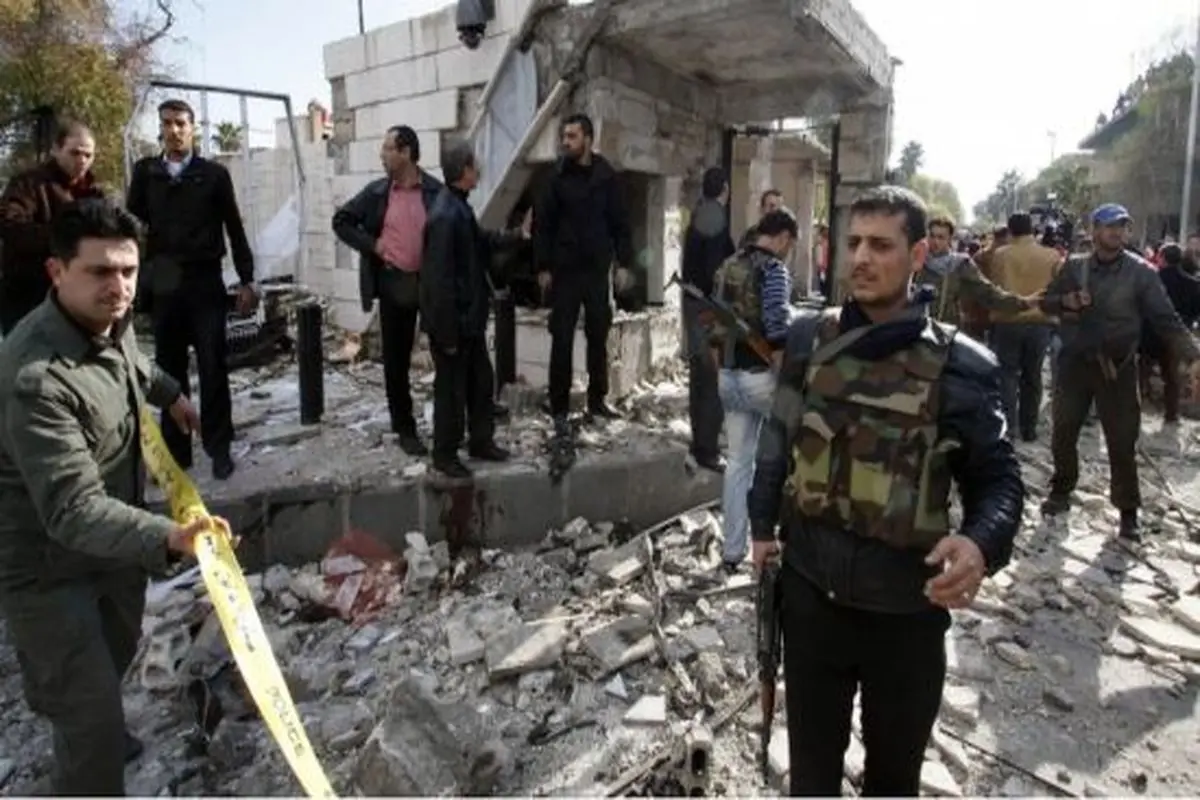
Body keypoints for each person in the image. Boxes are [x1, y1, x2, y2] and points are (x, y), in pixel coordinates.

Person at [747, 185, 1023, 796]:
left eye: (880, 245)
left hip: (904, 615)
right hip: (812, 600)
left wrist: (980, 544)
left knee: (893, 781)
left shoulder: (961, 366)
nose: (861, 259)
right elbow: (778, 438)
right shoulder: (807, 340)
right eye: (853, 243)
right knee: (811, 777)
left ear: (918, 254)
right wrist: (761, 527)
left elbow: (999, 481)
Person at [0, 198, 216, 795]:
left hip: (114, 551)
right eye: (99, 271)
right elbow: (71, 509)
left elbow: (131, 362)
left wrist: (172, 395)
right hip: (48, 570)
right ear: (57, 272)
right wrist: (169, 536)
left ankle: (88, 720)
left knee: (113, 661)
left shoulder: (107, 322)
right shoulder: (35, 378)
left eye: (128, 270)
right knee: (89, 717)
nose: (118, 287)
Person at [1039, 203, 1200, 541]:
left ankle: (1128, 512)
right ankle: (1061, 490)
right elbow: (1046, 302)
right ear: (1095, 230)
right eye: (1110, 225)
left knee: (1122, 441)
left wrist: (1194, 357)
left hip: (1118, 370)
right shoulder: (1074, 266)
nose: (1117, 232)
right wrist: (1068, 301)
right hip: (1075, 366)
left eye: (1122, 226)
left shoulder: (1142, 273)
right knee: (1063, 432)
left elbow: (1166, 319)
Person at [126, 98, 256, 481]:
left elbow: (234, 228)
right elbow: (131, 228)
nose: (174, 130)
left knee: (213, 365)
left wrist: (247, 279)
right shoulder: (147, 173)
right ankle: (177, 453)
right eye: (167, 123)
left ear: (192, 127)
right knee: (169, 371)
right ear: (160, 128)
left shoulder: (213, 175)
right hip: (165, 282)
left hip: (204, 281)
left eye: (181, 123)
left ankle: (219, 447)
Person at [420, 141, 528, 478]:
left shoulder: (459, 209)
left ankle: (481, 441)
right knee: (451, 392)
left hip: (469, 322)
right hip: (453, 325)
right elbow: (438, 281)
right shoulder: (445, 215)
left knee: (481, 383)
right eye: (475, 165)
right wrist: (447, 334)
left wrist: (518, 235)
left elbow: (483, 241)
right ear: (464, 171)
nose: (479, 170)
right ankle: (444, 454)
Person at [333, 125, 443, 456]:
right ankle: (404, 428)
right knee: (396, 361)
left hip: (430, 285)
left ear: (406, 153)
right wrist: (373, 245)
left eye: (388, 149)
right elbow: (341, 221)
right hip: (394, 284)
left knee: (445, 354)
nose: (382, 155)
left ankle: (447, 426)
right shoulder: (377, 193)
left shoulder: (435, 192)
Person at [708, 209, 796, 571]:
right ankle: (778, 543)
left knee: (737, 463)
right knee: (785, 458)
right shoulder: (773, 270)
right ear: (783, 237)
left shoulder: (727, 266)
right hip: (762, 377)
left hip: (729, 375)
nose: (788, 251)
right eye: (790, 244)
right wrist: (785, 376)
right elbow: (777, 325)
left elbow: (712, 324)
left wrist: (723, 371)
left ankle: (732, 552)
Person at [535, 113, 634, 430]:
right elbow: (543, 224)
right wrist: (543, 266)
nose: (566, 142)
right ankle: (559, 408)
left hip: (596, 271)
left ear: (588, 140)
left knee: (598, 336)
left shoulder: (606, 177)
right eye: (564, 136)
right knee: (561, 338)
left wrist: (624, 263)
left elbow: (620, 223)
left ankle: (597, 401)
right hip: (565, 271)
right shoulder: (556, 177)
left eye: (572, 136)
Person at [0, 121, 106, 333]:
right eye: (75, 153)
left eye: (88, 155)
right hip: (27, 293)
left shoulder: (95, 194)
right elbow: (10, 226)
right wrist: (64, 237)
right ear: (56, 150)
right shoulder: (28, 184)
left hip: (74, 296)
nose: (82, 161)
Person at [987, 212, 1063, 440]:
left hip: (1008, 321)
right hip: (1040, 323)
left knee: (1007, 375)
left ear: (1010, 230)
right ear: (1032, 229)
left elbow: (994, 288)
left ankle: (1009, 427)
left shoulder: (1000, 255)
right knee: (1033, 376)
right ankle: (1029, 428)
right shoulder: (1052, 256)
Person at [680, 167, 734, 473]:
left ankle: (699, 439)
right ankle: (708, 449)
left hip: (693, 301)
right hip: (708, 306)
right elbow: (717, 272)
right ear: (725, 189)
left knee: (699, 375)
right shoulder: (715, 217)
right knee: (712, 376)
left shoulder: (699, 214)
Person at [916, 215, 1034, 330]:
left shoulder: (960, 264)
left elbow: (988, 293)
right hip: (916, 328)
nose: (935, 241)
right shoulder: (917, 260)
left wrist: (1022, 303)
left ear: (950, 239)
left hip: (945, 330)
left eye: (941, 237)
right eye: (932, 236)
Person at [1138, 243, 1199, 424]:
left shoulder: (1152, 279)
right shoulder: (1193, 284)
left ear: (1161, 257)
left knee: (1142, 374)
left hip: (1149, 334)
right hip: (1175, 337)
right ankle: (1171, 415)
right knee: (1172, 377)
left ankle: (1133, 409)